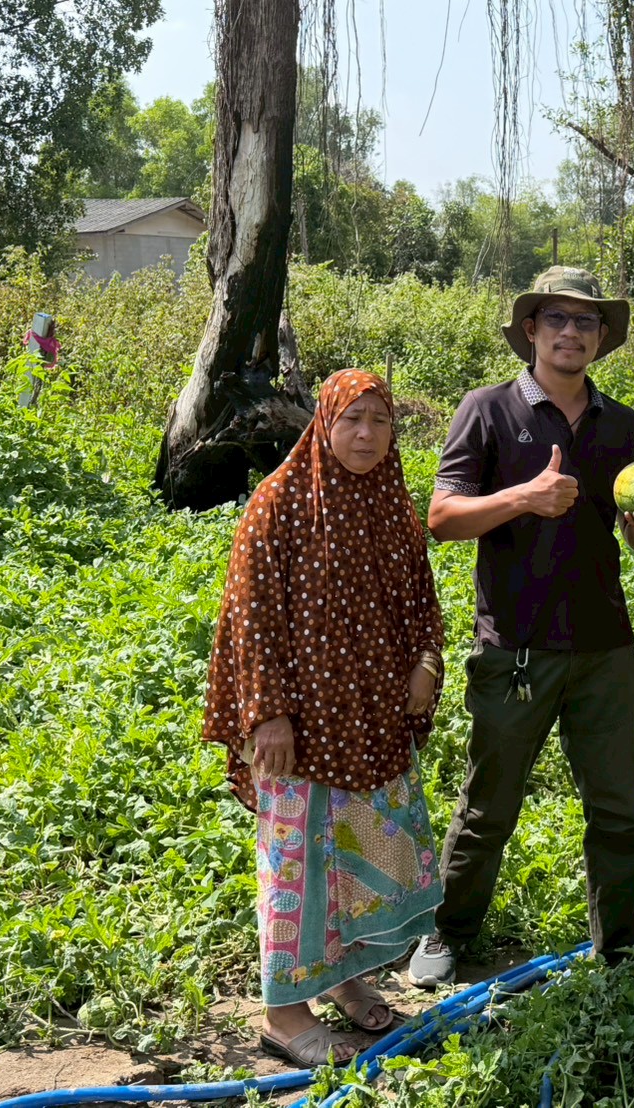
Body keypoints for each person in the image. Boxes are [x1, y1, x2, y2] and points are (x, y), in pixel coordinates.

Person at [409, 267, 634, 988]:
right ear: (530, 330)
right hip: (515, 647)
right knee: (489, 805)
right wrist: (524, 496)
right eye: (556, 318)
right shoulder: (487, 409)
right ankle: (448, 930)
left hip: (603, 647)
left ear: (601, 337)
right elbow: (442, 518)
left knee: (616, 811)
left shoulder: (621, 424)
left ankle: (619, 949)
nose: (570, 333)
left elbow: (631, 535)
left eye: (585, 321)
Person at [202, 370, 446, 1067]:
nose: (366, 435)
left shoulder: (390, 504)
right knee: (300, 864)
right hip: (301, 732)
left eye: (379, 420)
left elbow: (421, 601)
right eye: (351, 420)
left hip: (372, 722)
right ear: (324, 425)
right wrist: (267, 716)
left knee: (361, 850)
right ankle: (284, 1015)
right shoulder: (279, 504)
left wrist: (426, 664)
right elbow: (250, 618)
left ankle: (345, 979)